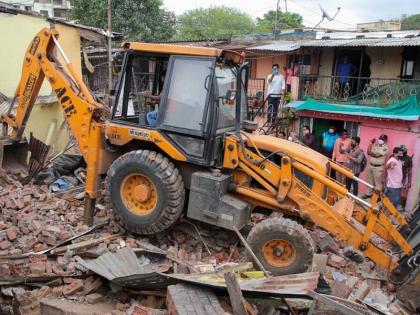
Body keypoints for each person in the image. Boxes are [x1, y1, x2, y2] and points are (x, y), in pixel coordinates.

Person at [362, 134, 389, 198]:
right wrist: (370, 143)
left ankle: (378, 197)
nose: (380, 140)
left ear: (385, 140)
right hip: (371, 165)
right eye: (380, 138)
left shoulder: (385, 148)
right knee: (369, 180)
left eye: (382, 139)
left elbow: (377, 155)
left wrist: (372, 154)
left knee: (378, 183)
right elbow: (368, 152)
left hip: (378, 167)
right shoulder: (375, 145)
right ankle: (368, 194)